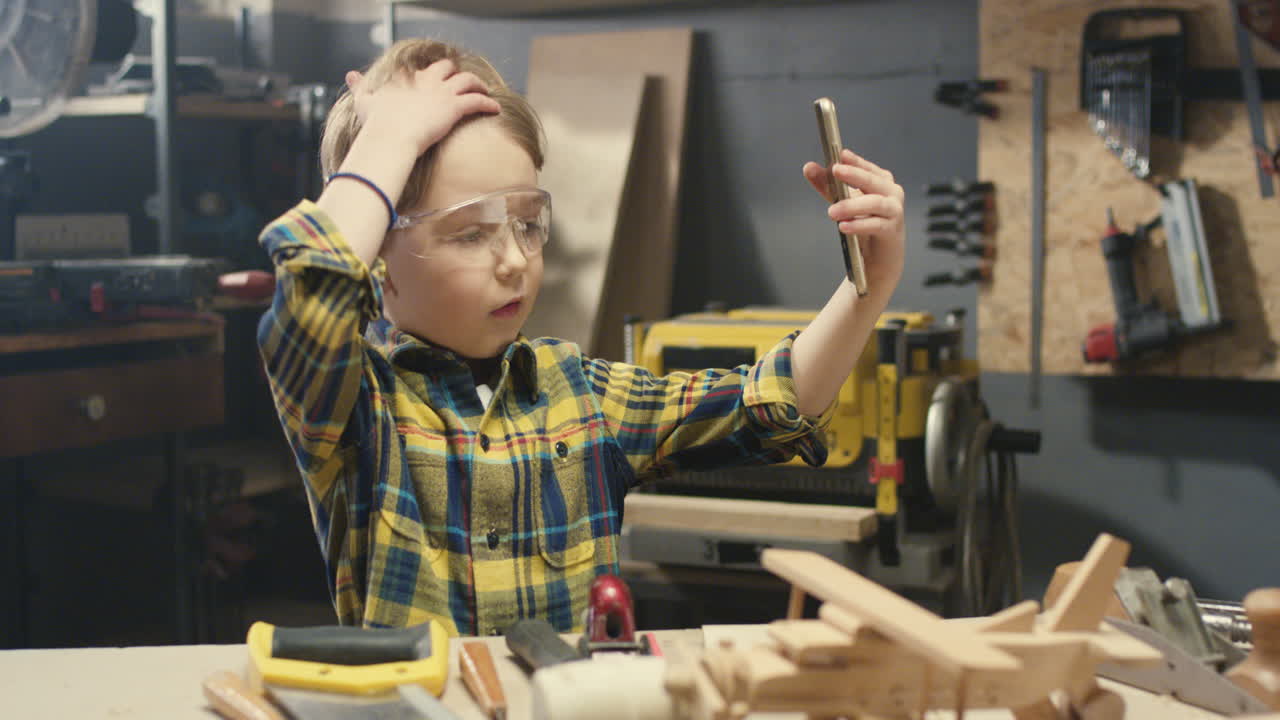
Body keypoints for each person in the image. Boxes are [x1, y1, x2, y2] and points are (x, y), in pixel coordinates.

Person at [257, 38, 905, 637]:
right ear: (381, 255)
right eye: (471, 232)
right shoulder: (355, 408)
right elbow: (316, 290)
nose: (514, 259)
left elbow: (772, 406)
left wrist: (865, 291)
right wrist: (388, 141)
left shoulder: (581, 397)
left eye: (528, 221)